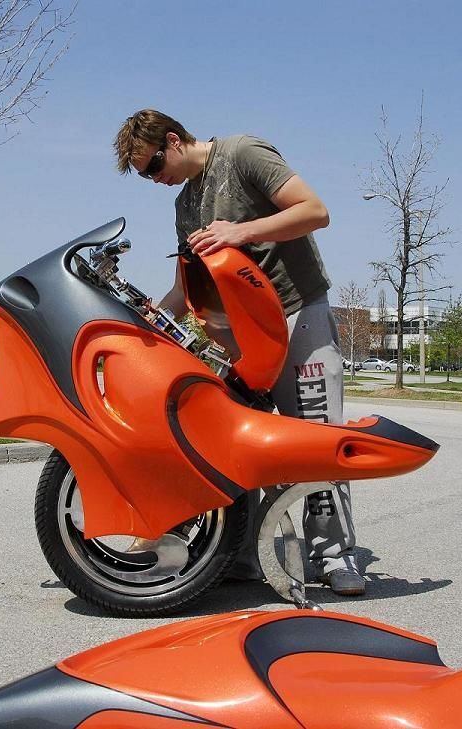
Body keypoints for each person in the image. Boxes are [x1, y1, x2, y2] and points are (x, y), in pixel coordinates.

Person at [113, 109, 365, 596]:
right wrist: (149, 319)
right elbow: (187, 286)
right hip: (240, 335)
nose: (154, 178)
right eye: (144, 175)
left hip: (295, 313)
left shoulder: (242, 153)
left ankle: (334, 556)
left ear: (174, 139)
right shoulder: (185, 204)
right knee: (235, 442)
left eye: (154, 165)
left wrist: (241, 231)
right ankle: (241, 557)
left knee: (317, 439)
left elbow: (315, 211)